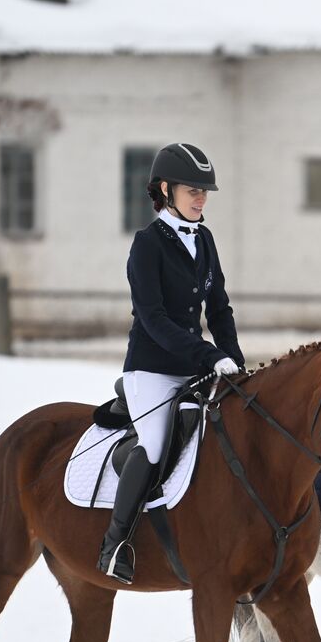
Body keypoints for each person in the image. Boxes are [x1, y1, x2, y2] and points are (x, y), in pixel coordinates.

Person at [96, 142, 245, 584]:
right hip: (151, 369)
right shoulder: (147, 245)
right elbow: (155, 320)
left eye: (205, 191)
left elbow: (218, 309)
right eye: (191, 189)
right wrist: (209, 354)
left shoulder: (206, 240)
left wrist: (233, 360)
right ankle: (115, 542)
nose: (200, 198)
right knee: (157, 444)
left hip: (197, 365)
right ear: (165, 189)